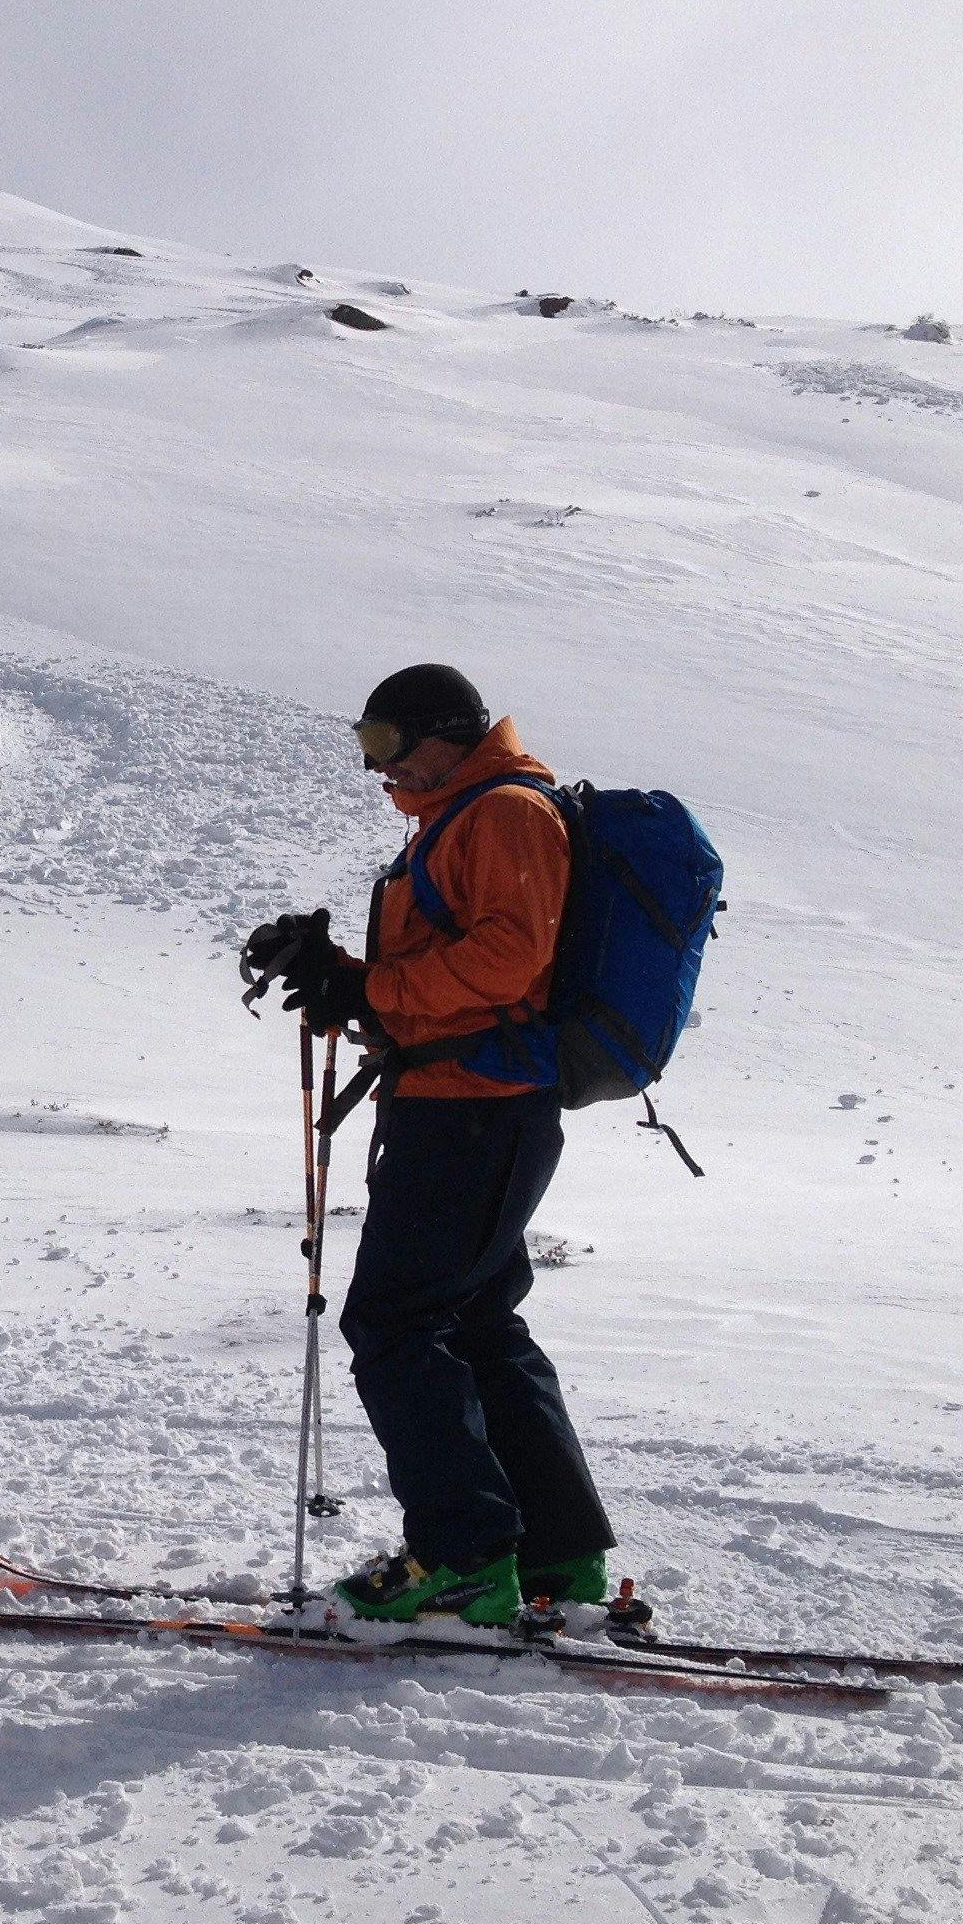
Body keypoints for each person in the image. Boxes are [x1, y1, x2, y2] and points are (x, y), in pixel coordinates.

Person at [242, 665, 616, 1626]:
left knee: (399, 1325)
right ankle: (554, 1559)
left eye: (387, 744)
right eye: (365, 745)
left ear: (446, 735)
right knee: (477, 1324)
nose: (378, 769)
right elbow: (458, 972)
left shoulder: (504, 815)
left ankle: (464, 1558)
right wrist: (340, 975)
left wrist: (371, 993)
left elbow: (507, 961)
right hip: (466, 1103)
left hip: (476, 1113)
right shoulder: (465, 818)